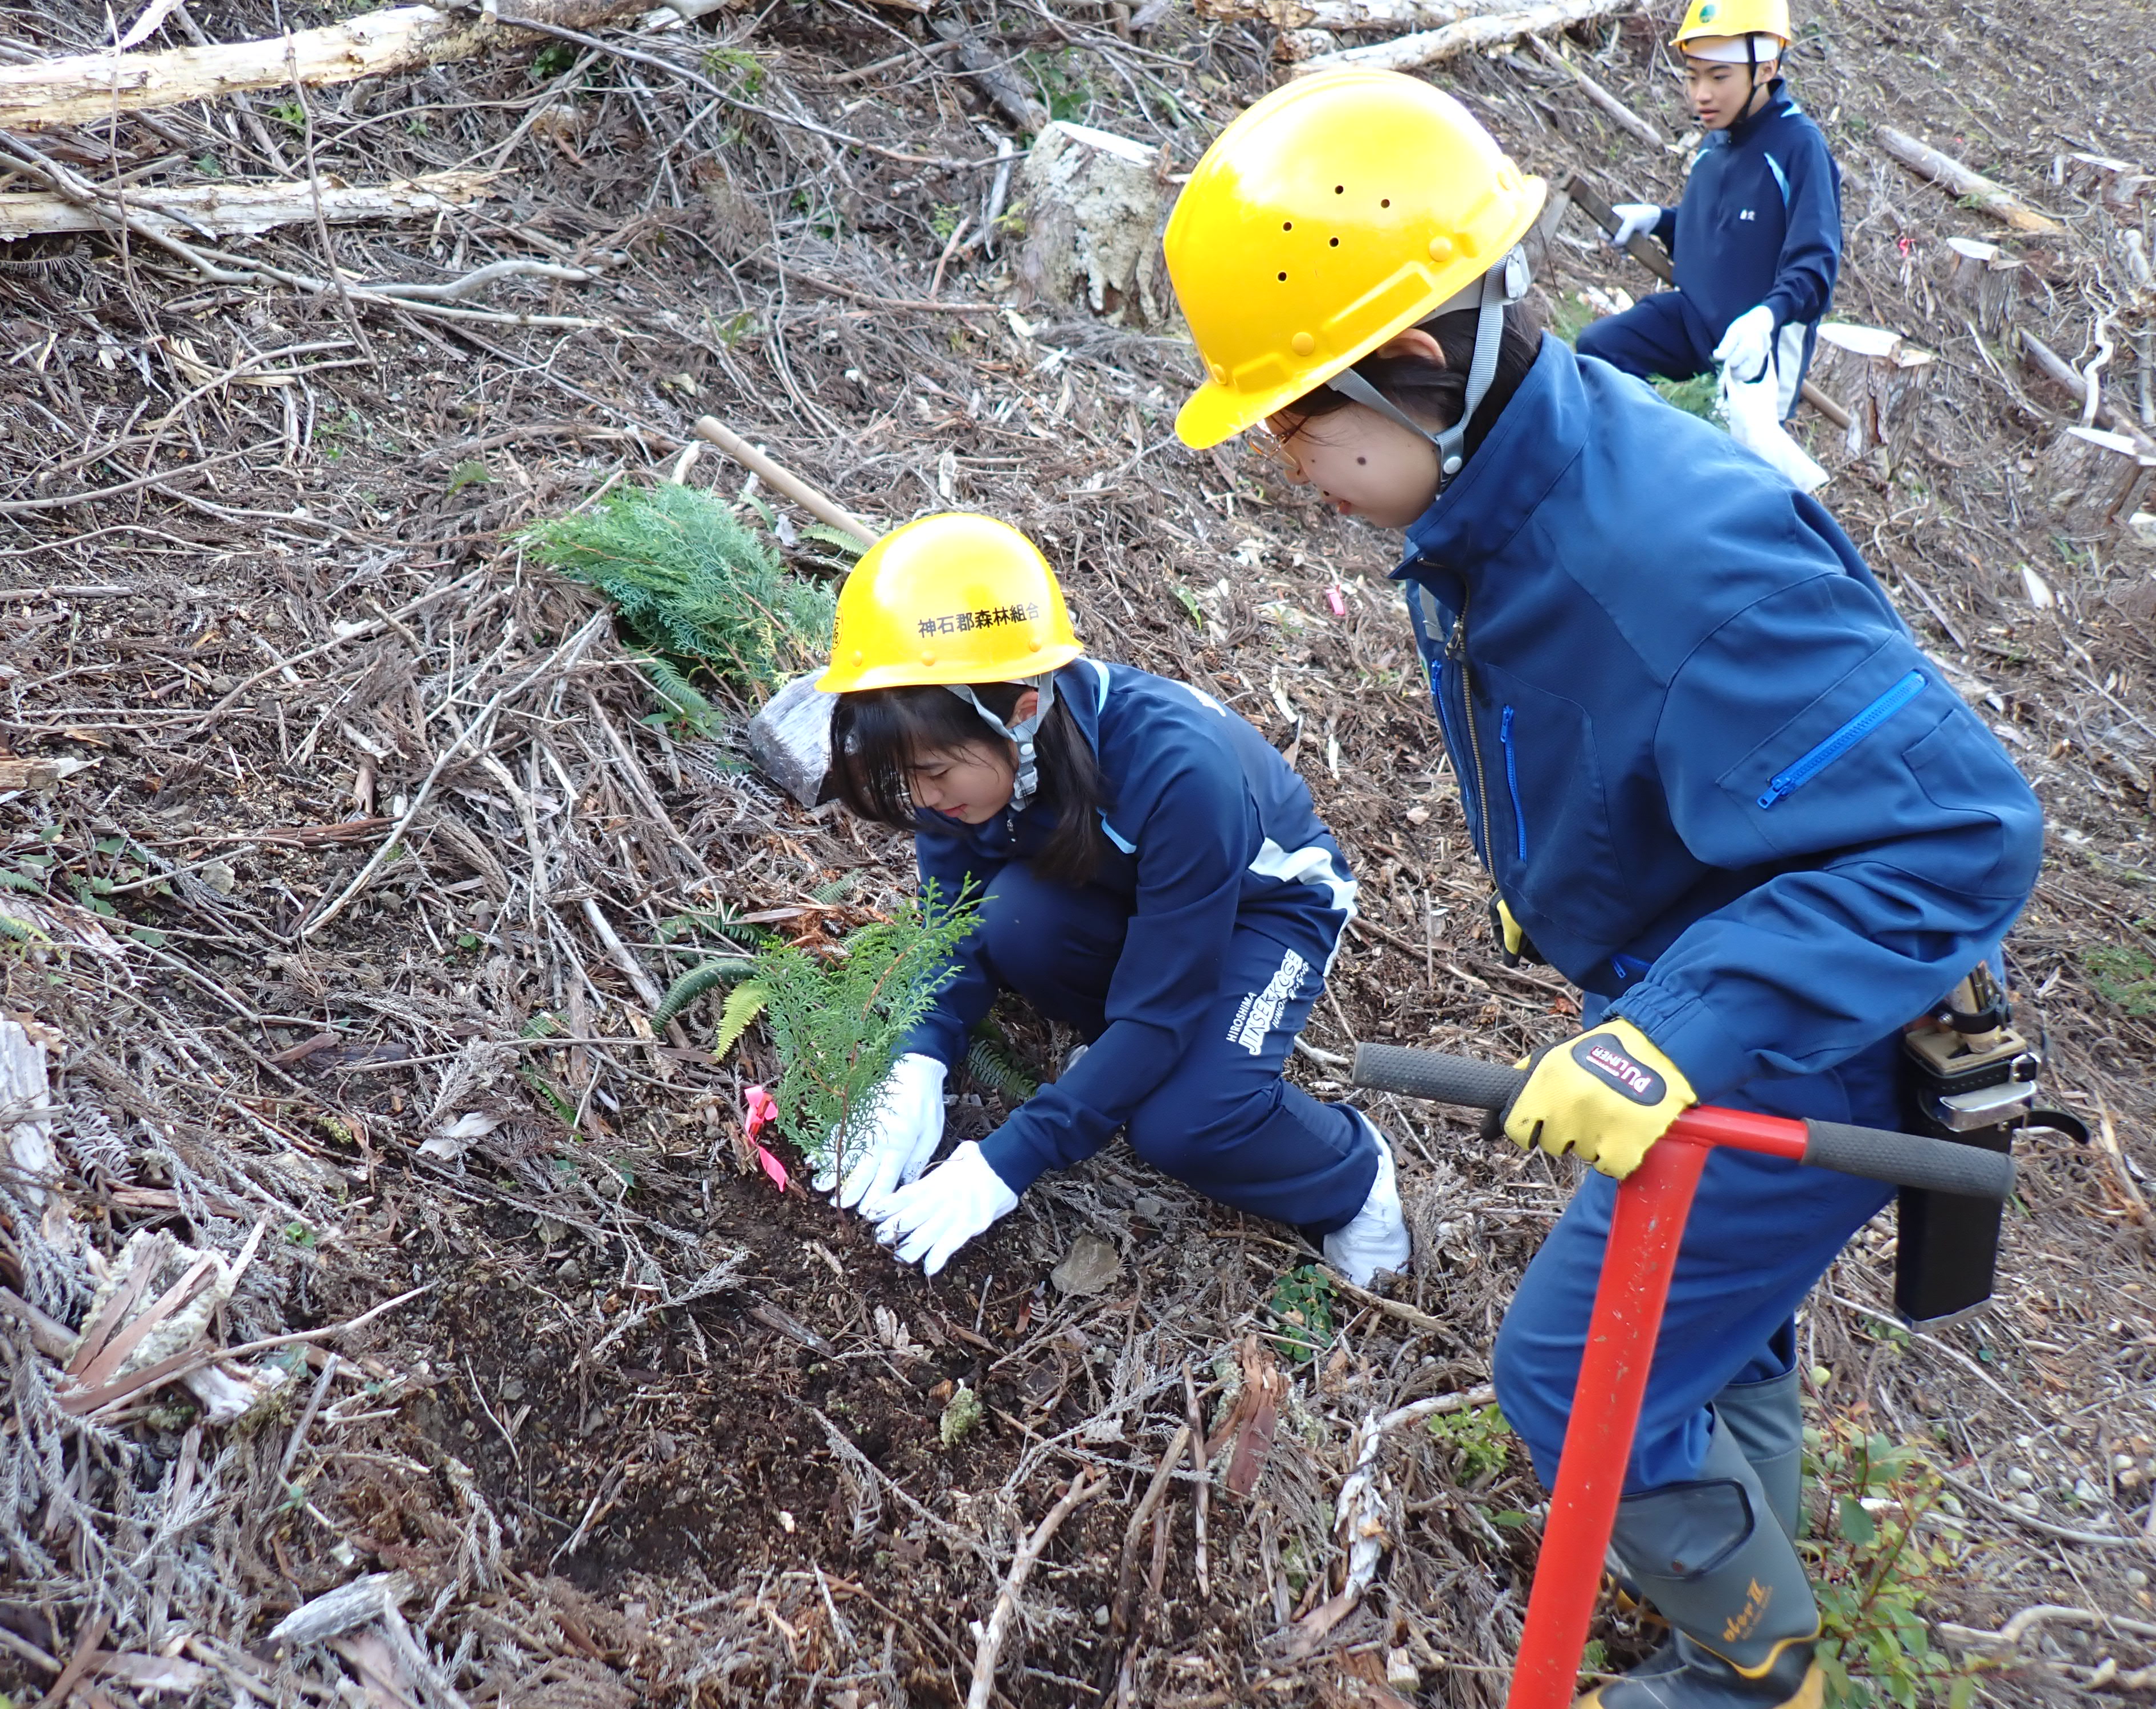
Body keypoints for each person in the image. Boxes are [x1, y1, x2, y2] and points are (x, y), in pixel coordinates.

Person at [1160, 69, 2040, 1709]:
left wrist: (1679, 1032)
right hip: (1711, 979)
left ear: (1421, 367)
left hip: (1809, 1030)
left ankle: (1749, 1673)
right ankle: (1754, 1572)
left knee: (1572, 1374)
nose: (1286, 463)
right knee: (1719, 1337)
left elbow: (1959, 835)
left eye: (1293, 418)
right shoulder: (1507, 495)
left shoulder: (1668, 557)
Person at [807, 510, 1412, 1290]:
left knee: (1187, 1125)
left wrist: (1004, 1162)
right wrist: (917, 1058)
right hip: (1132, 894)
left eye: (933, 772)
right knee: (1013, 920)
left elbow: (1162, 1011)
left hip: (1263, 909)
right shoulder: (967, 771)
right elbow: (949, 925)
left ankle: (1352, 1178)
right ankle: (1130, 1060)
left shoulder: (1176, 773)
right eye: (902, 778)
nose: (921, 798)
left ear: (1020, 713)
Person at [1576, 0, 1841, 420]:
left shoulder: (1799, 148)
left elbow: (1815, 268)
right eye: (1693, 76)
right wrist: (1658, 221)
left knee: (1734, 465)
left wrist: (1765, 319)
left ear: (1766, 69)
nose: (1702, 94)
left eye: (1719, 76)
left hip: (1759, 348)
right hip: (1693, 320)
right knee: (1600, 350)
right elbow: (1722, 239)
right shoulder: (1715, 144)